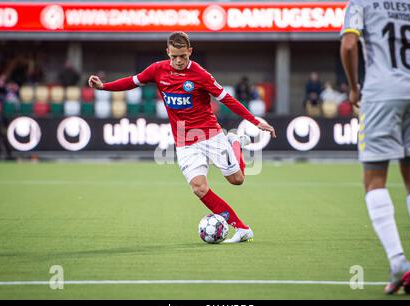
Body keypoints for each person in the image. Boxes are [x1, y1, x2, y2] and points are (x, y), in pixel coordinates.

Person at [88, 31, 276, 243]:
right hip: (184, 140)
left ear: (190, 52)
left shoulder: (200, 74)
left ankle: (234, 142)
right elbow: (131, 82)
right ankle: (241, 229)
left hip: (209, 134)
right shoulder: (157, 70)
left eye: (183, 56)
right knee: (199, 187)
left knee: (237, 180)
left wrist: (255, 121)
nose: (178, 61)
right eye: (174, 56)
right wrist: (104, 87)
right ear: (167, 52)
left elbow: (227, 99)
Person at [341, 0, 410, 294]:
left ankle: (397, 262)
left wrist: (355, 87)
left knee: (374, 180)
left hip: (381, 94)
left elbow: (349, 45)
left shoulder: (362, 5)